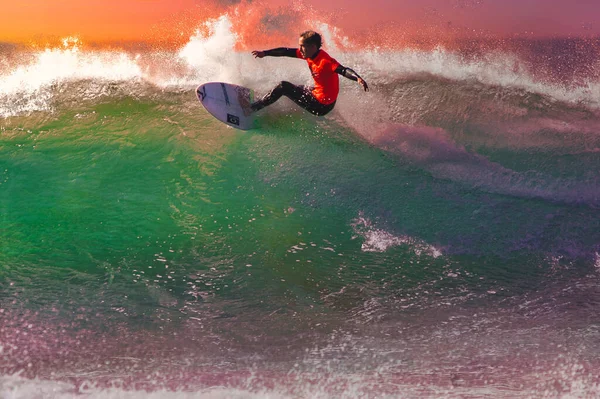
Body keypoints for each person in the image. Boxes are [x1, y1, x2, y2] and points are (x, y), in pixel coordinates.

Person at [247, 30, 368, 116]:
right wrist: (265, 53)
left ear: (313, 47)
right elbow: (285, 51)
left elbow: (343, 70)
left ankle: (252, 108)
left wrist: (357, 78)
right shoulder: (309, 54)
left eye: (302, 46)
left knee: (283, 86)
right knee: (297, 88)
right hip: (319, 95)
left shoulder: (325, 61)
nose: (299, 50)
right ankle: (263, 99)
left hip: (321, 106)